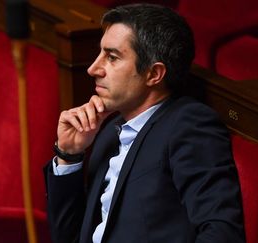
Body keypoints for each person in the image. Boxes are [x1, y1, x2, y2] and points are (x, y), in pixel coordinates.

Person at [44, 3, 245, 243]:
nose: (92, 68)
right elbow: (68, 238)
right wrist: (69, 155)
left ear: (154, 74)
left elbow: (222, 234)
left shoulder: (189, 126)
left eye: (112, 57)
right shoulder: (109, 131)